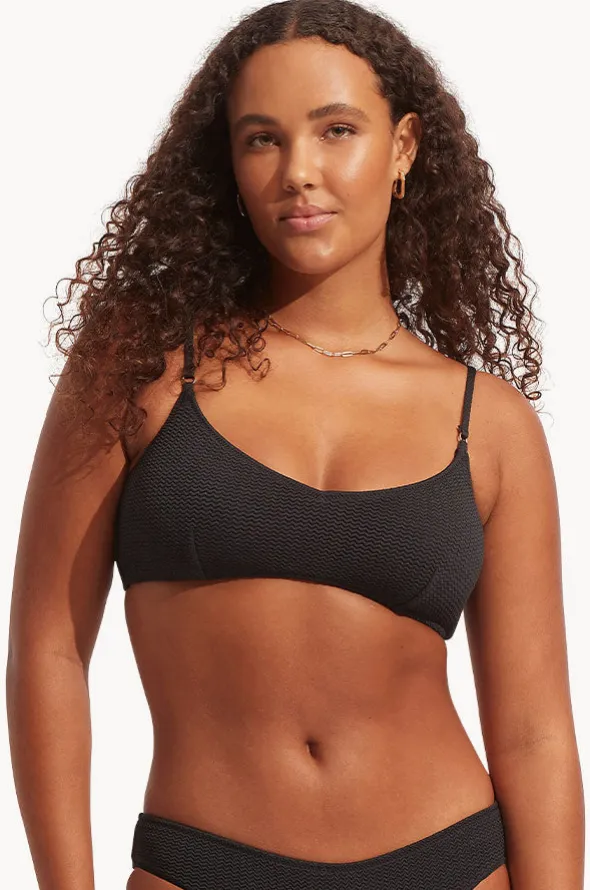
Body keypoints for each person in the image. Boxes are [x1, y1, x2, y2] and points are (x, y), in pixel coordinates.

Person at [7, 1, 584, 888]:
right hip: (202, 864)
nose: (298, 173)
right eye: (262, 140)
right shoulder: (140, 368)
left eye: (336, 130)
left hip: (451, 862)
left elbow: (536, 734)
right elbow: (47, 647)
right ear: (231, 165)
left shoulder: (490, 422)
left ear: (403, 148)